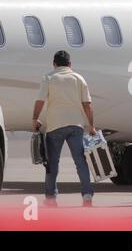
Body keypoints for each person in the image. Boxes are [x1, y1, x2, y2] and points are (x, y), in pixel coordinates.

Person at [32, 50, 96, 207]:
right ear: (70, 64)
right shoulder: (79, 78)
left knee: (52, 163)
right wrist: (91, 126)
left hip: (55, 126)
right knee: (80, 162)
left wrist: (35, 118)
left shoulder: (49, 77)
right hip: (76, 126)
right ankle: (87, 196)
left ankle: (51, 198)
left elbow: (40, 101)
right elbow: (87, 104)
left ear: (54, 64)